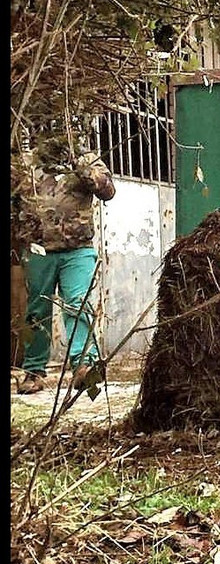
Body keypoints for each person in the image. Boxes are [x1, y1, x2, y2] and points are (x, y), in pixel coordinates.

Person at [11, 135, 115, 394]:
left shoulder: (86, 160)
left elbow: (108, 191)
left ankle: (83, 366)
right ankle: (34, 371)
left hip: (78, 250)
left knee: (77, 303)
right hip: (39, 250)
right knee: (37, 310)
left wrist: (81, 166)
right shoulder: (27, 165)